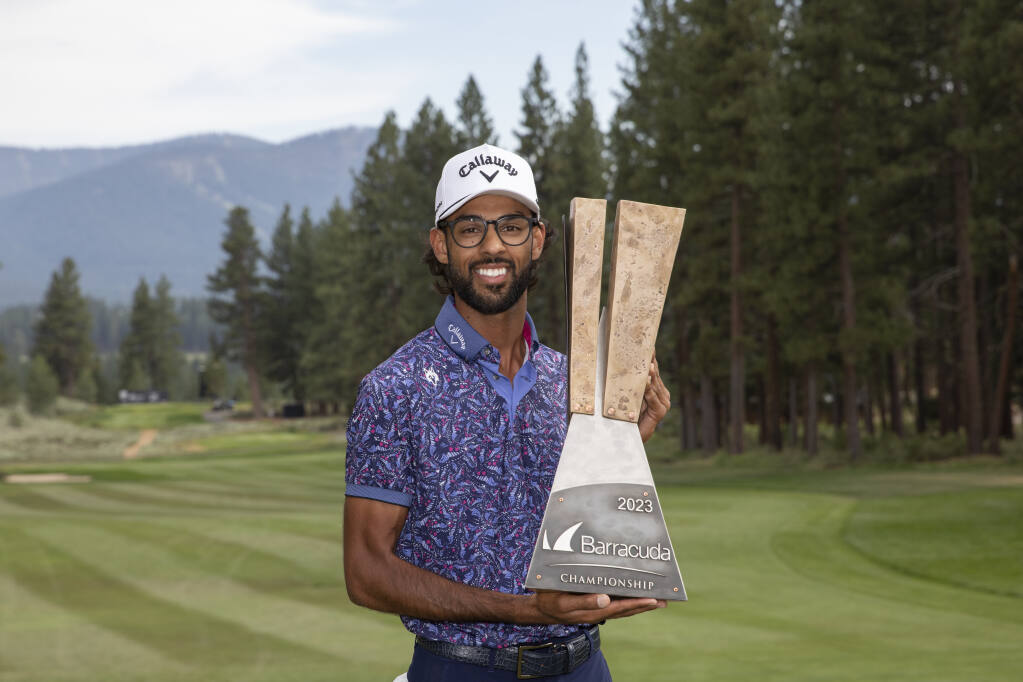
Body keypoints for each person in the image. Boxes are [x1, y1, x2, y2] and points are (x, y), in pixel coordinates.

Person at [343, 143, 672, 681]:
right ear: (441, 245)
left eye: (512, 226)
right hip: (460, 670)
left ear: (537, 240)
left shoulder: (576, 381)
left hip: (584, 668)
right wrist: (526, 610)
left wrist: (627, 443)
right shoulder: (394, 388)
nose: (492, 246)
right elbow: (366, 575)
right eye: (470, 228)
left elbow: (578, 536)